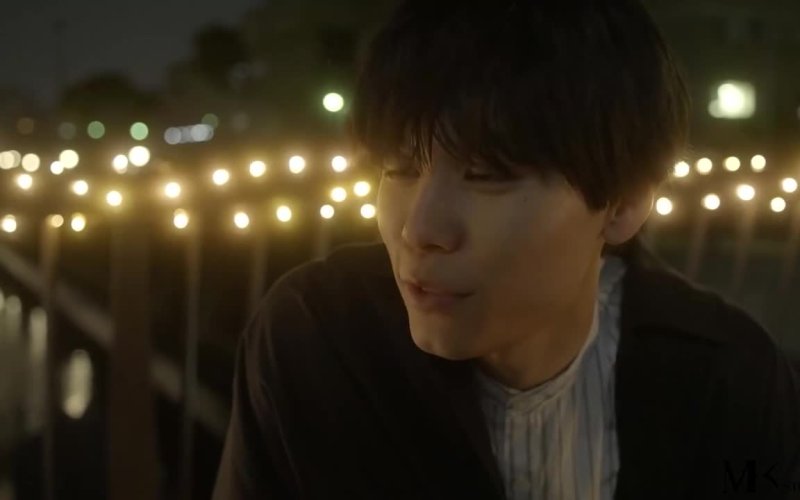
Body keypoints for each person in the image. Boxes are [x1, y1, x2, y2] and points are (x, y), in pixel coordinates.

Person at [213, 0, 800, 498]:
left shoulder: (727, 378)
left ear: (623, 203)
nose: (420, 229)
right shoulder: (314, 339)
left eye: (488, 175)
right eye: (398, 169)